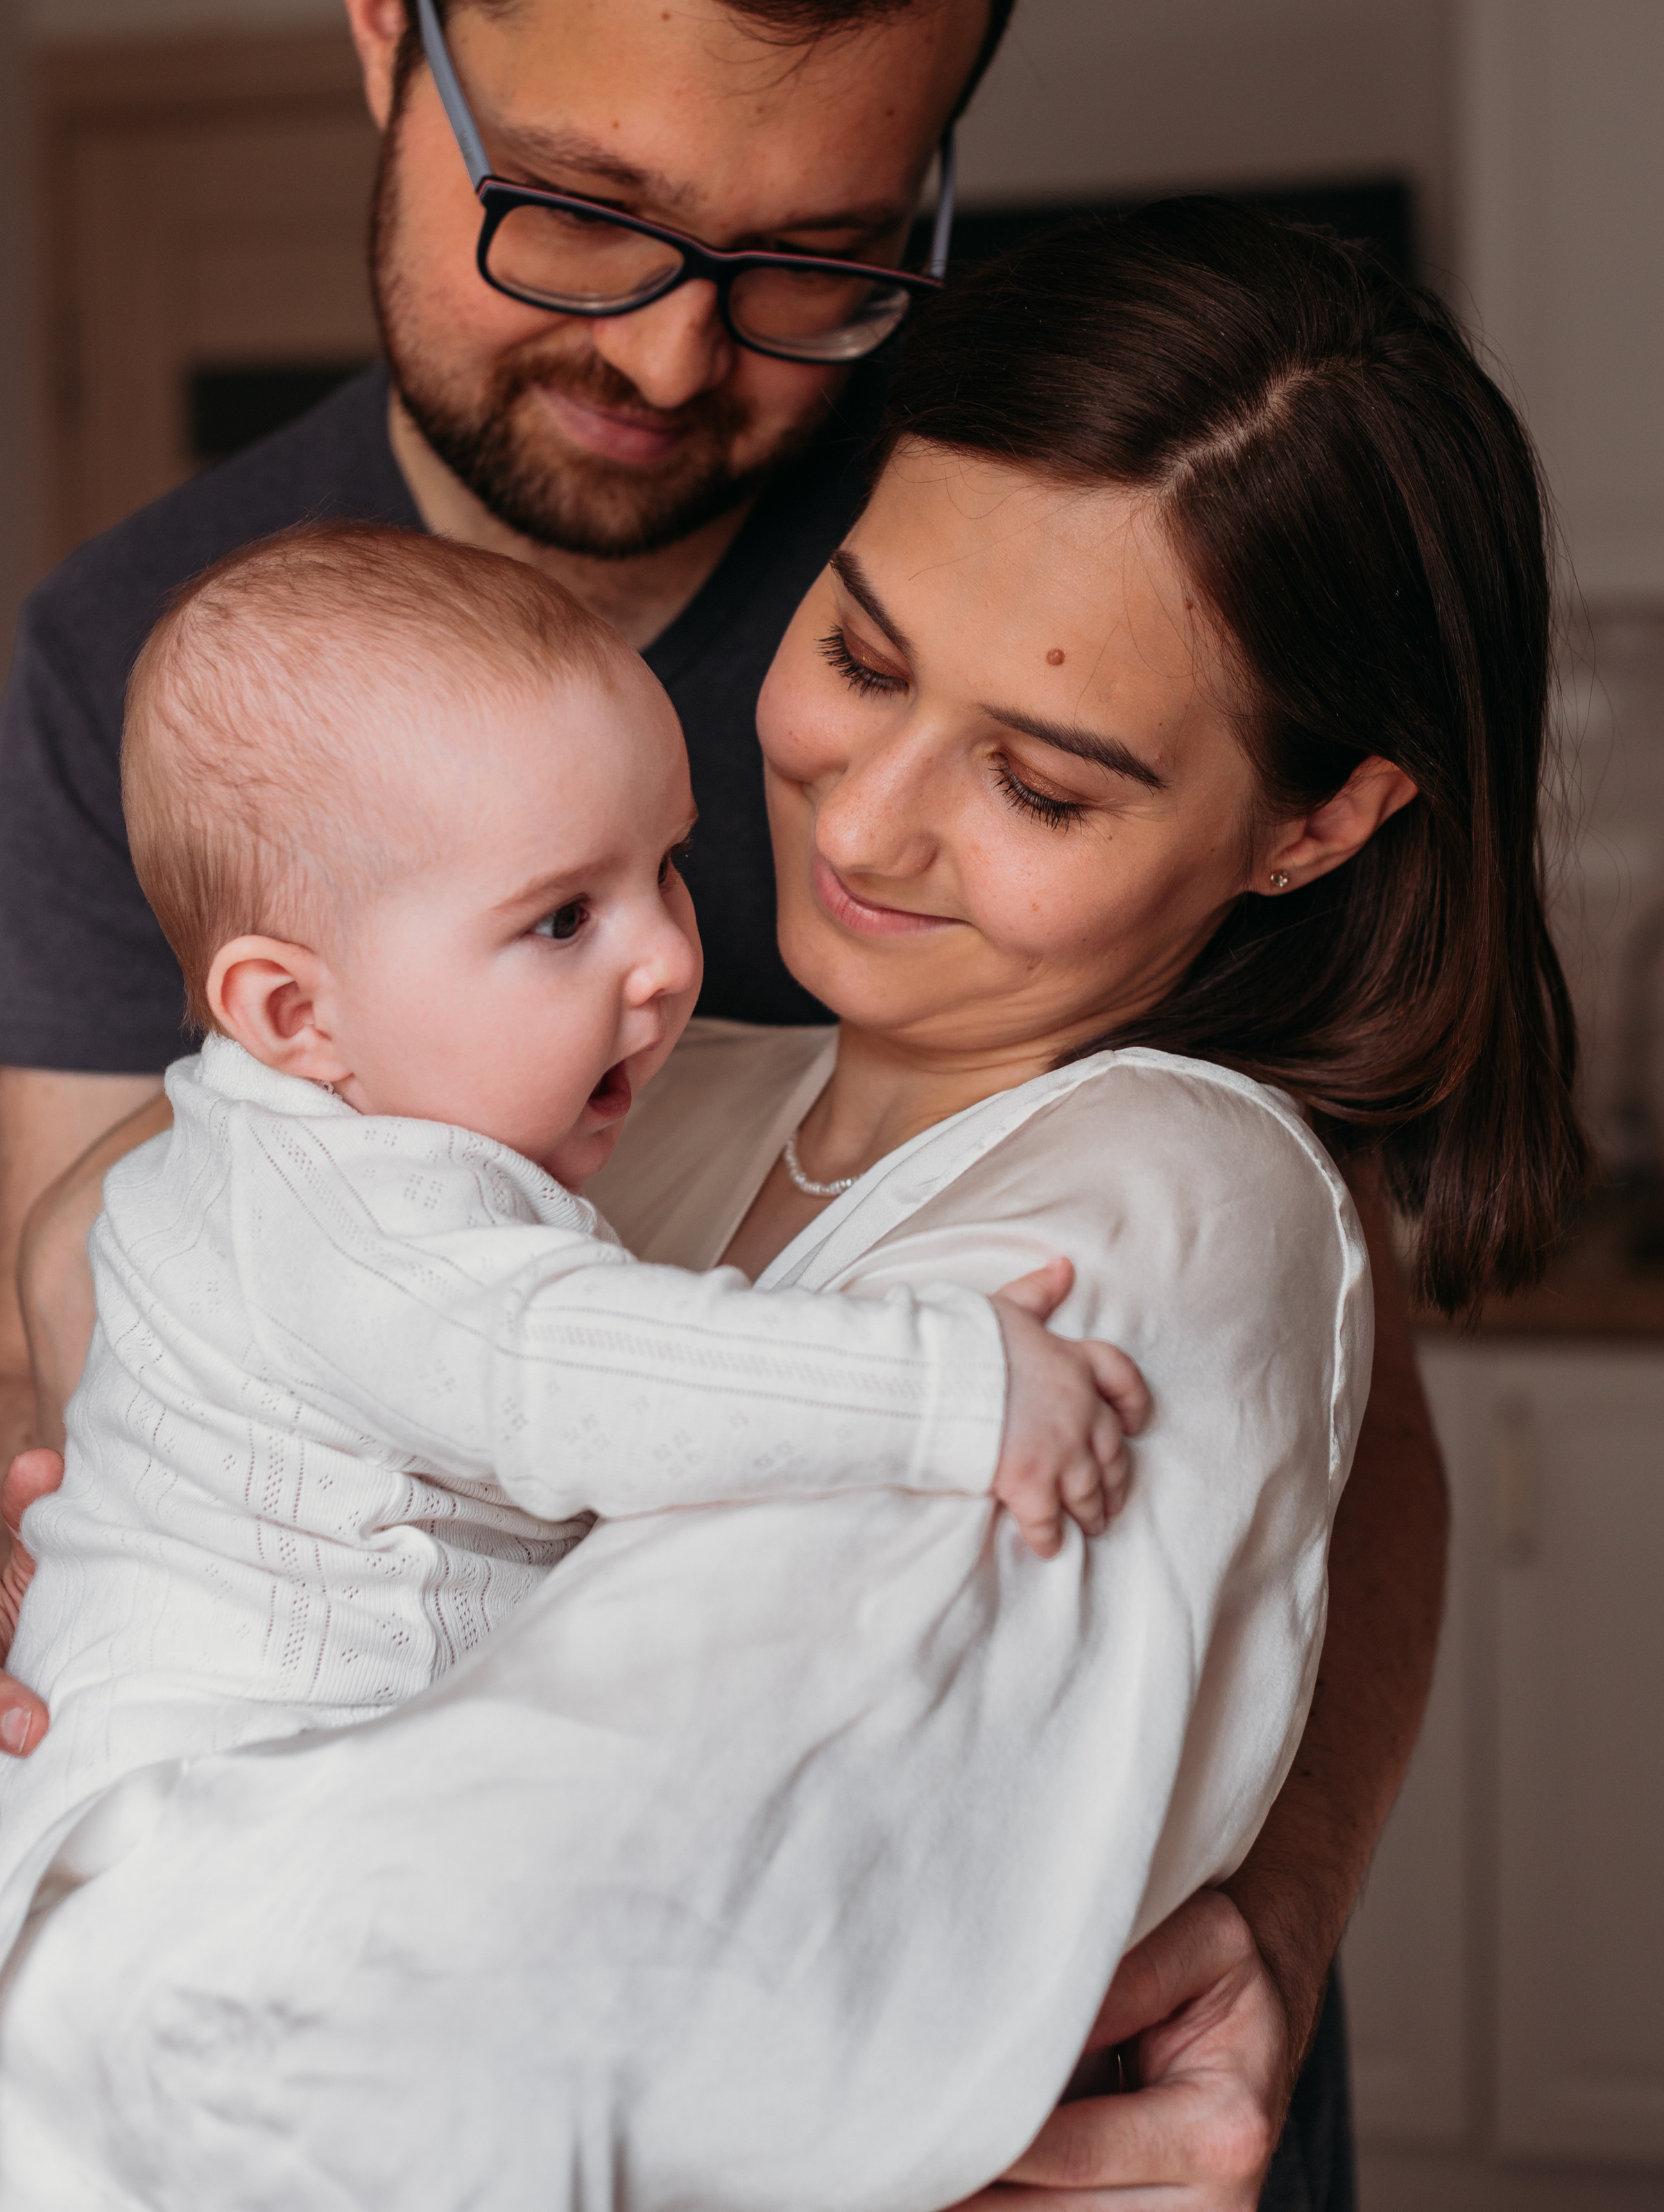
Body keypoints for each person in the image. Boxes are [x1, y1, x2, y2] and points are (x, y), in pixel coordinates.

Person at [0, 0, 1450, 2204]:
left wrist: (1293, 1936)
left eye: (816, 252)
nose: (680, 356)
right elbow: (88, 1336)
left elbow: (1336, 1406)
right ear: (385, 41)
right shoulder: (137, 655)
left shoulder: (1051, 536)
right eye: (576, 205)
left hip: (1070, 2082)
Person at [0, 520, 1147, 1989]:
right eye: (561, 919)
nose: (669, 957)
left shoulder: (273, 1151)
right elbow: (588, 1373)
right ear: (294, 1016)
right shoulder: (355, 1220)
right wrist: (949, 1383)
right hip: (205, 1875)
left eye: (662, 871)